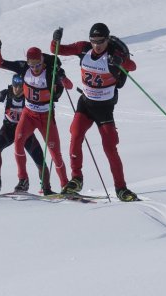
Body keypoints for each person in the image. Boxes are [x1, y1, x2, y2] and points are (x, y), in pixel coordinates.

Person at [57, 23, 141, 202]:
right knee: (75, 135)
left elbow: (132, 66)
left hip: (104, 108)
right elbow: (57, 50)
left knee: (110, 147)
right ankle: (76, 179)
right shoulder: (83, 48)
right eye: (93, 41)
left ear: (107, 39)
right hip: (86, 103)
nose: (97, 45)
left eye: (101, 41)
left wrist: (121, 62)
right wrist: (56, 39)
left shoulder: (113, 53)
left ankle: (121, 188)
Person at [0, 43, 72, 193]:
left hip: (46, 116)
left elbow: (69, 86)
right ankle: (23, 180)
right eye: (32, 65)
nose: (35, 68)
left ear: (42, 60)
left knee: (55, 153)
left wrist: (61, 77)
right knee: (18, 142)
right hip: (28, 114)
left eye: (38, 65)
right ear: (27, 62)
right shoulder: (23, 68)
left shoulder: (50, 72)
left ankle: (65, 185)